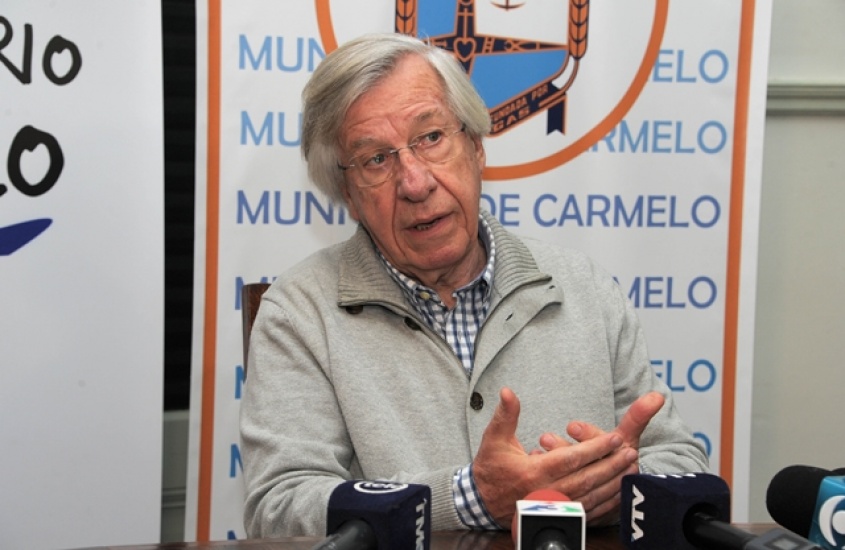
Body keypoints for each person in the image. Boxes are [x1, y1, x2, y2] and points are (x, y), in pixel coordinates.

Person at [240, 32, 708, 538]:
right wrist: (471, 498)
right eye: (376, 159)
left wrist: (614, 485)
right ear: (348, 195)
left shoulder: (584, 287)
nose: (415, 182)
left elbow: (680, 461)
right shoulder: (299, 313)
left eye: (431, 138)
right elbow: (280, 509)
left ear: (477, 147)